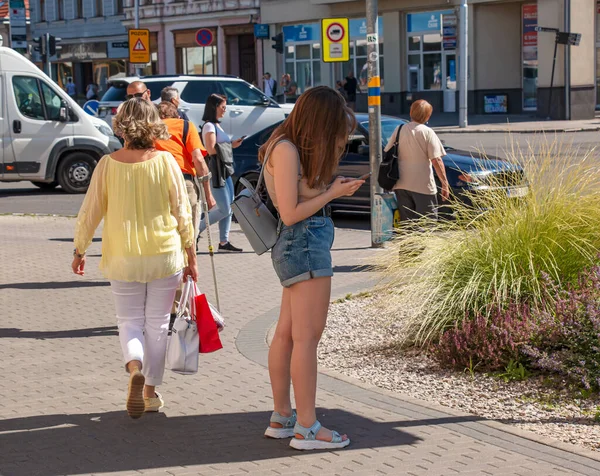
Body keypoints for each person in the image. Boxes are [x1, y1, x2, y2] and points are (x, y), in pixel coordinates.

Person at [72, 98, 197, 419]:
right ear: (153, 124)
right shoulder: (167, 162)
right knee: (157, 325)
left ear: (121, 125)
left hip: (123, 256)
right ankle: (150, 392)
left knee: (129, 322)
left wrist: (79, 249)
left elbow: (90, 212)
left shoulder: (106, 164)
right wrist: (190, 254)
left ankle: (134, 368)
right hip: (164, 254)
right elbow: (182, 211)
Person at [261, 86, 364, 450]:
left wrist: (328, 187)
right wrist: (332, 193)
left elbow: (297, 197)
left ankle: (283, 417)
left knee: (288, 335)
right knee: (306, 339)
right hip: (303, 242)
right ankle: (307, 427)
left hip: (298, 245)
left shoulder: (283, 144)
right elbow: (290, 213)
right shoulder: (287, 149)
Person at [156, 101, 215, 245]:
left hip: (156, 183)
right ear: (176, 115)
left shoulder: (149, 129)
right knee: (188, 235)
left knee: (162, 234)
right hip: (183, 181)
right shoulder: (185, 126)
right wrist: (208, 195)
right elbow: (198, 159)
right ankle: (190, 263)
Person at [384, 99, 449, 223]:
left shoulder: (399, 129)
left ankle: (409, 243)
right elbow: (437, 161)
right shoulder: (428, 132)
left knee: (408, 224)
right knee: (427, 224)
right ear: (428, 116)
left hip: (401, 184)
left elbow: (387, 150)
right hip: (423, 186)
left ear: (411, 112)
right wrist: (445, 184)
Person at [199, 94, 244, 253]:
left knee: (229, 207)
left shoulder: (217, 125)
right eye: (223, 107)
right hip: (217, 169)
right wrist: (227, 145)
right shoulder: (209, 126)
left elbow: (220, 147)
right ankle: (196, 231)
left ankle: (224, 243)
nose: (225, 110)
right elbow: (211, 149)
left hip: (224, 168)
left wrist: (232, 144)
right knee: (224, 209)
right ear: (214, 107)